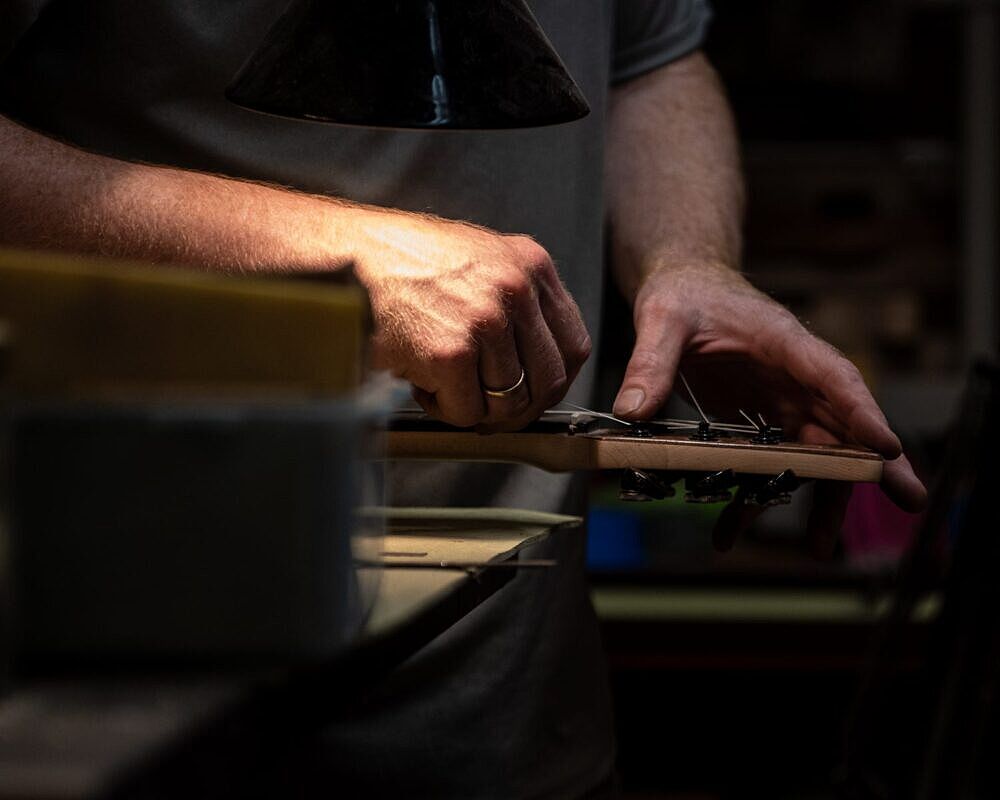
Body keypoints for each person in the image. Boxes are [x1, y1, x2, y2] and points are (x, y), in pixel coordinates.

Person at [0, 0, 926, 796]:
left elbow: (653, 57)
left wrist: (691, 258)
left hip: (512, 721)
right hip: (129, 712)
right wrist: (326, 259)